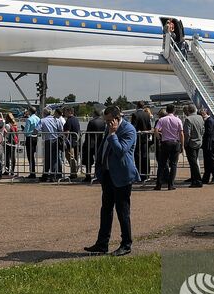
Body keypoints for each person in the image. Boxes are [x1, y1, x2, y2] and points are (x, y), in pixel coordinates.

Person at [84, 105, 137, 257]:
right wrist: (99, 167)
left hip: (122, 176)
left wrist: (113, 134)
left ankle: (126, 244)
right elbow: (104, 148)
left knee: (123, 212)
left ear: (116, 118)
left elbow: (121, 151)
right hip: (107, 175)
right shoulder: (109, 128)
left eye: (108, 121)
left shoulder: (128, 130)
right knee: (106, 210)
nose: (106, 124)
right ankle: (102, 244)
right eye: (105, 121)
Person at [153, 103, 184, 191]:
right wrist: (182, 144)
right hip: (175, 142)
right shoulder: (178, 120)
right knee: (174, 164)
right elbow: (181, 133)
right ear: (174, 111)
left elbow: (156, 130)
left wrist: (159, 138)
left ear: (166, 111)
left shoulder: (162, 120)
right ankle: (171, 185)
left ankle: (158, 184)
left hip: (165, 142)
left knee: (162, 164)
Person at [182, 103, 205, 187]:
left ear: (188, 110)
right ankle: (194, 179)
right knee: (194, 161)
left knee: (193, 163)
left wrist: (186, 143)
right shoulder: (200, 118)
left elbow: (187, 133)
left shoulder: (188, 119)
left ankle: (197, 181)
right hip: (199, 142)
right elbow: (203, 130)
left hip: (191, 143)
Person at [38, 107, 62, 182]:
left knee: (47, 158)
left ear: (44, 113)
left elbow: (36, 129)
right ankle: (53, 175)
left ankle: (47, 175)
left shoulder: (42, 120)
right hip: (55, 140)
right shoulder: (56, 120)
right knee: (54, 158)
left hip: (47, 140)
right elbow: (61, 129)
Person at [130, 103, 153, 180]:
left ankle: (139, 174)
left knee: (137, 156)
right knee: (145, 156)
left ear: (137, 106)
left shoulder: (135, 114)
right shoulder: (147, 115)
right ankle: (146, 174)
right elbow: (149, 126)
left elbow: (133, 127)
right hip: (145, 137)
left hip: (138, 137)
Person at [63, 107, 82, 180]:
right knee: (74, 158)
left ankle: (73, 173)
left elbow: (67, 132)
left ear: (69, 111)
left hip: (70, 143)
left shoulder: (69, 120)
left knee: (70, 158)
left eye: (65, 111)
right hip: (76, 142)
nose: (64, 113)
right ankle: (74, 172)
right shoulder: (76, 119)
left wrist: (64, 139)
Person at [201, 106, 214, 184]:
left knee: (211, 161)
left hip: (209, 144)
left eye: (202, 113)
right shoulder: (209, 120)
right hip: (208, 143)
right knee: (208, 161)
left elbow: (208, 132)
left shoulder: (209, 121)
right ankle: (206, 177)